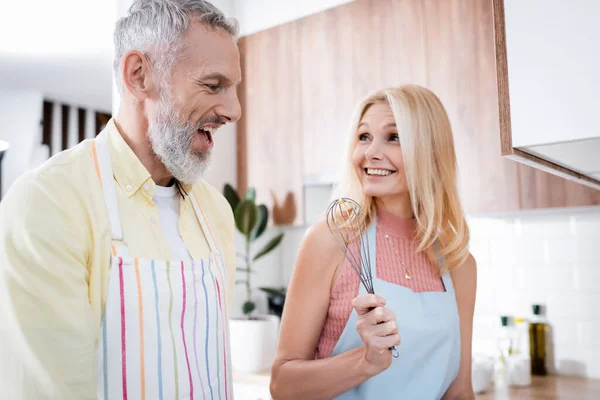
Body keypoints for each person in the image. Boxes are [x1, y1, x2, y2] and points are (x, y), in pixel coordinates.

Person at [0, 1, 242, 399]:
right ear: (138, 75)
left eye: (234, 89)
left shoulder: (214, 211)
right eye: (213, 85)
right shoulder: (48, 203)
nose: (233, 110)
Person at [270, 85, 477, 399]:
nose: (370, 153)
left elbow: (459, 392)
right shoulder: (331, 241)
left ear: (431, 152)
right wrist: (365, 361)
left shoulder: (458, 262)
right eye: (364, 136)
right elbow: (283, 385)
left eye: (393, 137)